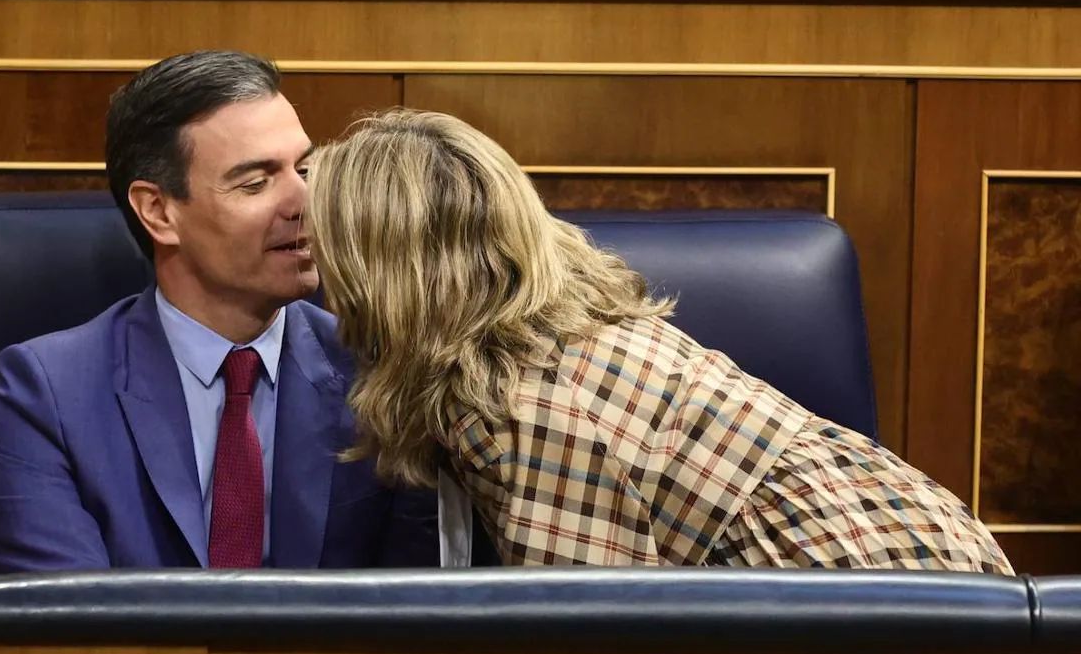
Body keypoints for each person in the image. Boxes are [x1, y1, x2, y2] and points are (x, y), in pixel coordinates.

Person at [303, 108, 1013, 573]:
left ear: (383, 266)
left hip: (884, 601)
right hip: (930, 556)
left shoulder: (525, 412)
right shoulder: (553, 327)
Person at [0, 52, 439, 573]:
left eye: (305, 170)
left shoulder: (383, 373)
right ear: (159, 211)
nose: (304, 200)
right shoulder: (45, 396)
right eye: (255, 183)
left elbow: (414, 622)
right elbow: (65, 634)